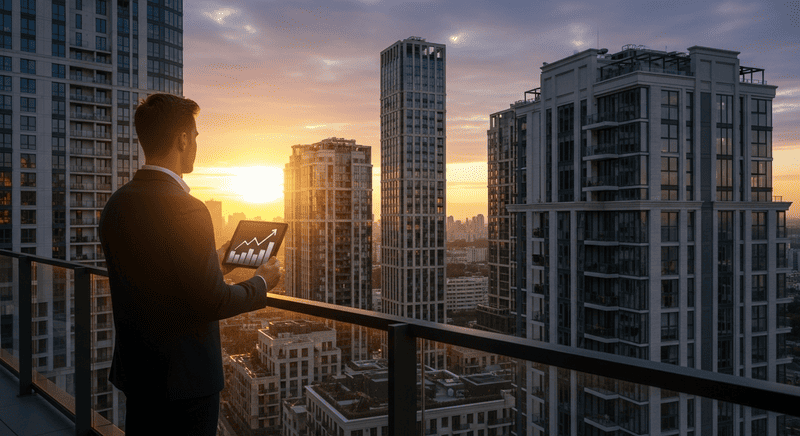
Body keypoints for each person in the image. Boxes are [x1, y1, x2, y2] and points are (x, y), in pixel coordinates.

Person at [99, 93, 280, 435]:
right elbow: (213, 302)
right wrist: (261, 283)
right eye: (195, 135)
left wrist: (215, 264)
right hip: (186, 384)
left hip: (139, 375)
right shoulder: (189, 209)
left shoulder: (116, 205)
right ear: (182, 139)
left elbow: (156, 275)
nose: (196, 143)